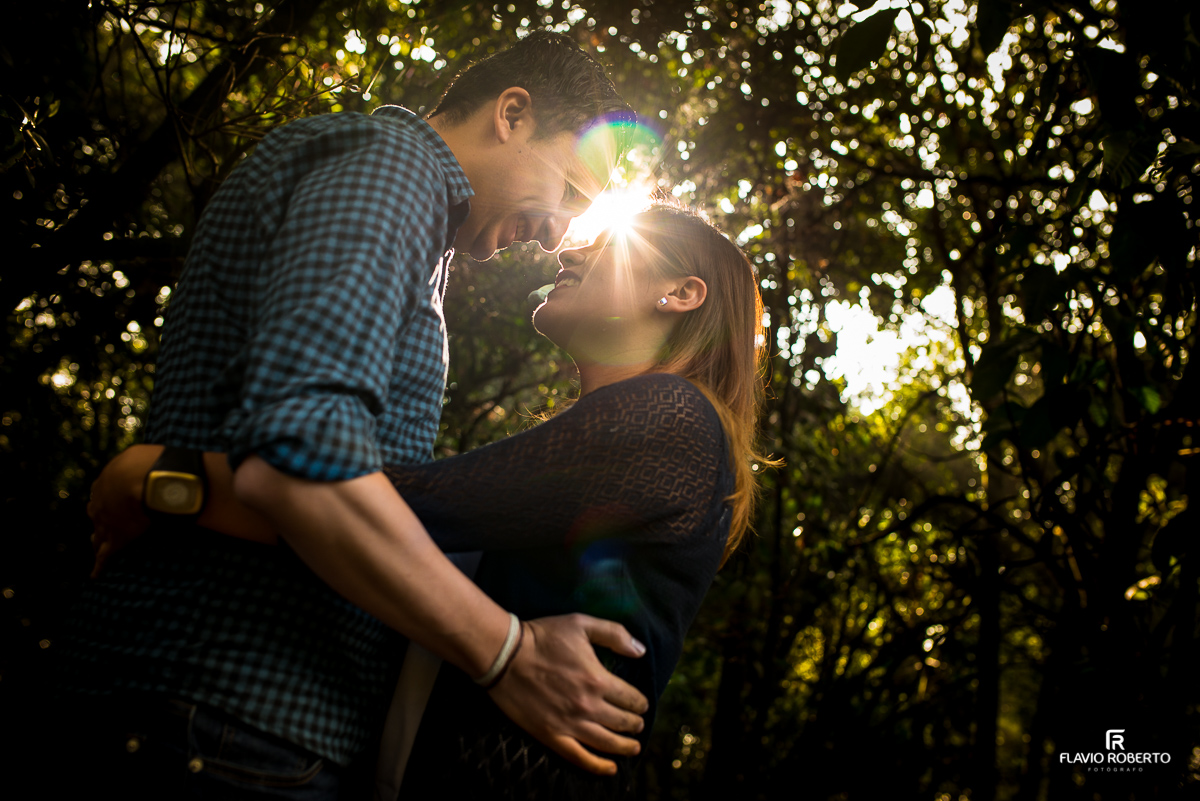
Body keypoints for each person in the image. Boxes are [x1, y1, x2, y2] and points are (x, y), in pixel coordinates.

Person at [52, 31, 651, 799]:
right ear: (512, 114)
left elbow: (311, 465)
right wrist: (507, 653)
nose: (558, 232)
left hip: (238, 724)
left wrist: (167, 484)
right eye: (569, 188)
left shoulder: (412, 212)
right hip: (222, 715)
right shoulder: (387, 169)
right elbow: (302, 461)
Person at [87, 203, 774, 799]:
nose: (573, 246)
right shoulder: (638, 437)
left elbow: (373, 509)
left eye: (621, 240)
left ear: (682, 293)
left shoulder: (672, 417)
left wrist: (154, 479)